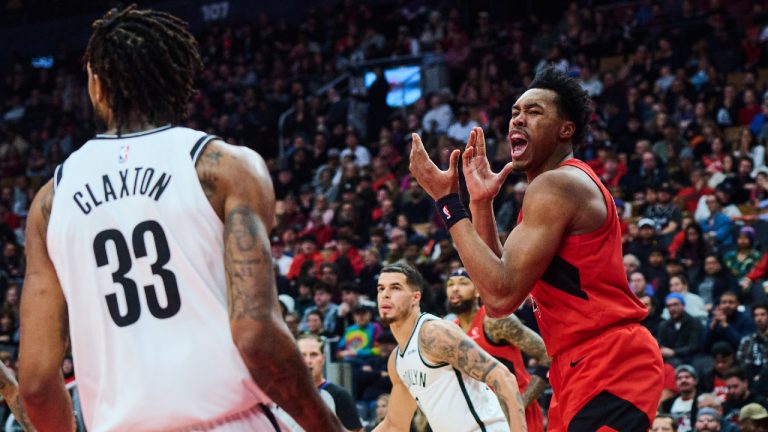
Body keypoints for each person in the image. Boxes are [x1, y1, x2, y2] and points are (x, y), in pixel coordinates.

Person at [16, 6, 343, 431]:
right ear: (177, 80)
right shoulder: (225, 168)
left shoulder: (50, 202)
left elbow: (38, 382)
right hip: (230, 421)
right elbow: (256, 335)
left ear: (96, 85)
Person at [408, 66, 663, 429]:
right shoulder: (551, 189)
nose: (519, 120)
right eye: (515, 112)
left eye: (534, 112)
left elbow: (501, 296)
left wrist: (448, 203)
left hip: (609, 360)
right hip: (577, 365)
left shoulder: (556, 185)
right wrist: (481, 203)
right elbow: (495, 281)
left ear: (566, 129)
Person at [373, 263, 525, 431]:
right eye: (381, 288)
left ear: (416, 298)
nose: (385, 295)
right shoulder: (397, 361)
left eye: (395, 288)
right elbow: (395, 425)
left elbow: (503, 378)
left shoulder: (434, 334)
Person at [446, 267, 548, 431]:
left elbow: (547, 355)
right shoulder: (451, 331)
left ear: (478, 292)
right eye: (450, 284)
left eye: (463, 283)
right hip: (482, 416)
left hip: (516, 414)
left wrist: (520, 404)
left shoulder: (494, 321)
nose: (455, 288)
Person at [298, 334, 364, 432]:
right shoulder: (284, 396)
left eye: (313, 355)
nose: (308, 361)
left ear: (323, 358)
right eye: (302, 355)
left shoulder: (339, 395)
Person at [661, 364, 701, 432]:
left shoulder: (703, 401)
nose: (683, 380)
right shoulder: (667, 404)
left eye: (687, 377)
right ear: (676, 383)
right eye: (679, 378)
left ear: (695, 381)